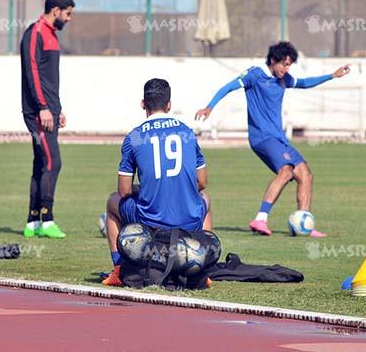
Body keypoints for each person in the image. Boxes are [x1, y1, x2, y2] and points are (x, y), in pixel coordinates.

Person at [195, 41, 350, 237]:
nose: (287, 69)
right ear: (273, 61)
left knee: (305, 174)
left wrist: (332, 76)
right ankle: (260, 219)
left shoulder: (282, 79)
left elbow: (303, 83)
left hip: (279, 138)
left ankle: (304, 223)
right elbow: (228, 87)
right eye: (284, 64)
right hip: (262, 137)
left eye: (289, 65)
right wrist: (210, 106)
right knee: (286, 170)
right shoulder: (255, 74)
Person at [102, 78, 212, 286]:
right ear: (169, 105)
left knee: (112, 202)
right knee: (205, 198)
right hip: (189, 220)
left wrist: (145, 189)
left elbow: (124, 190)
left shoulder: (134, 137)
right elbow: (202, 182)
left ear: (143, 104)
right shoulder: (187, 132)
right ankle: (204, 267)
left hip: (151, 223)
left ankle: (117, 269)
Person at [20, 0, 75, 238]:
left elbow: (50, 79)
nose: (69, 18)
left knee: (41, 163)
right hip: (37, 112)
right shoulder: (35, 33)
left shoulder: (52, 35)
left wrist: (57, 108)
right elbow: (32, 73)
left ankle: (33, 221)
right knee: (54, 162)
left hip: (49, 111)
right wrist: (43, 107)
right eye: (68, 14)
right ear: (56, 11)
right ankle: (48, 218)